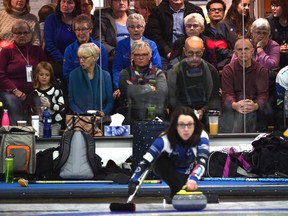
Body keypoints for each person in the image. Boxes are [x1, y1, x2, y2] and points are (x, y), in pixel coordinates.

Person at [128, 106, 209, 200]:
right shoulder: (165, 139)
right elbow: (146, 161)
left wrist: (193, 178)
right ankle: (176, 189)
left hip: (186, 170)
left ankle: (177, 191)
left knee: (183, 188)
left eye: (190, 125)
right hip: (166, 167)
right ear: (175, 126)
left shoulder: (201, 135)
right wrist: (134, 180)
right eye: (182, 125)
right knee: (161, 163)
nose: (186, 129)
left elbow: (202, 161)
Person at [0, 20, 47, 125]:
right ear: (13, 35)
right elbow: (1, 75)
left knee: (41, 101)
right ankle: (16, 134)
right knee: (13, 103)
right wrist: (15, 91)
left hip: (34, 89)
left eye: (25, 32)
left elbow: (45, 69)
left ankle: (38, 134)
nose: (22, 35)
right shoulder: (6, 51)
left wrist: (39, 88)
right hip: (11, 91)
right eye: (18, 33)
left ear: (30, 34)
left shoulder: (37, 50)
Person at [167, 36, 220, 123]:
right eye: (191, 53)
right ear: (184, 51)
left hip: (205, 115)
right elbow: (173, 100)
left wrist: (203, 110)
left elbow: (214, 98)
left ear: (203, 51)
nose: (194, 57)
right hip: (181, 116)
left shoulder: (211, 71)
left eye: (198, 53)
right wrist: (189, 113)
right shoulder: (174, 71)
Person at [221, 36, 269, 133]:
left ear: (252, 51)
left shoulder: (261, 70)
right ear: (235, 52)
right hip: (234, 109)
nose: (243, 52)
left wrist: (255, 105)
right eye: (240, 49)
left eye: (246, 49)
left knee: (259, 113)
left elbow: (263, 95)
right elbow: (227, 94)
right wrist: (236, 105)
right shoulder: (228, 70)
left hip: (254, 109)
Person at [144, 0, 206, 70]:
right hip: (164, 53)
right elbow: (153, 34)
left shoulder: (195, 10)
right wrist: (167, 52)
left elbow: (203, 31)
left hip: (191, 51)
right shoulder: (157, 11)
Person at [112, 13, 161, 99]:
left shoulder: (151, 44)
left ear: (144, 28)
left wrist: (148, 86)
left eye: (139, 26)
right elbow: (117, 68)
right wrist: (119, 86)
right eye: (132, 27)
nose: (136, 29)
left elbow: (157, 67)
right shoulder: (121, 45)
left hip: (148, 83)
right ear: (127, 29)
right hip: (127, 83)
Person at [118, 40, 167, 124]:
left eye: (144, 54)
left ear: (150, 56)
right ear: (132, 56)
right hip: (131, 116)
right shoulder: (125, 73)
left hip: (155, 115)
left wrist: (135, 89)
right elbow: (128, 92)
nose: (141, 58)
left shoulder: (159, 73)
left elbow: (161, 94)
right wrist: (150, 88)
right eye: (137, 55)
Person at [68, 43, 113, 115]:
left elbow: (110, 102)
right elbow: (71, 101)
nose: (81, 61)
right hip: (80, 118)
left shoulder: (105, 76)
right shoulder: (73, 75)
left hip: (101, 119)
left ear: (95, 57)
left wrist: (103, 113)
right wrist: (83, 116)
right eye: (80, 57)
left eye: (85, 58)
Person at [63, 14, 108, 84]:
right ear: (74, 31)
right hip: (77, 85)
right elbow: (67, 75)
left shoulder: (100, 48)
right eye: (78, 29)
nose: (81, 33)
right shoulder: (69, 50)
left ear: (90, 30)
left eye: (84, 29)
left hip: (97, 85)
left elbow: (104, 72)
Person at [44, 0, 81, 80]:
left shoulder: (79, 19)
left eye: (69, 2)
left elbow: (83, 42)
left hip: (77, 58)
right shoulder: (51, 19)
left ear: (75, 5)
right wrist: (64, 60)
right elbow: (49, 45)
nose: (65, 5)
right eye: (63, 1)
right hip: (56, 59)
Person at [92, 0, 134, 71]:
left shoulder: (135, 17)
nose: (121, 3)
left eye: (124, 0)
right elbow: (98, 41)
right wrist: (114, 51)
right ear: (111, 3)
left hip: (135, 55)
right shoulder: (102, 19)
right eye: (117, 0)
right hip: (114, 57)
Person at [30, 61, 65, 135]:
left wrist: (50, 105)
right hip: (39, 123)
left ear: (51, 76)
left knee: (52, 142)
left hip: (54, 123)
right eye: (41, 74)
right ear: (37, 75)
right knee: (40, 141)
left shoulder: (56, 90)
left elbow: (62, 106)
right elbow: (32, 109)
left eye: (47, 75)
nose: (44, 77)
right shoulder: (34, 92)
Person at [267, 0, 288, 69]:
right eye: (272, 5)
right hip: (274, 64)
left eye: (277, 5)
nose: (273, 8)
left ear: (284, 7)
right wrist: (276, 49)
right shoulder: (269, 22)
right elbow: (264, 44)